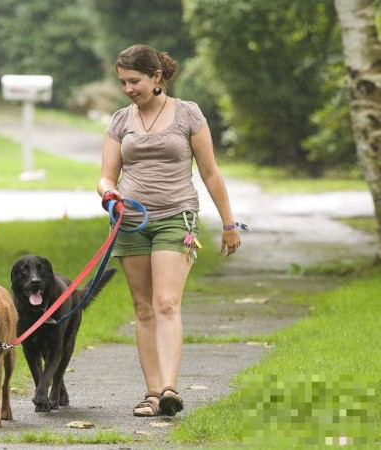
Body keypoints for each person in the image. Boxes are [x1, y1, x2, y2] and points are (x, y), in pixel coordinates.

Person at [97, 44, 242, 417]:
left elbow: (210, 172)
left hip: (177, 216)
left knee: (166, 303)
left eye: (135, 81)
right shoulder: (120, 121)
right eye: (123, 82)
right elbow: (105, 176)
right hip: (130, 221)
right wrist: (108, 193)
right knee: (143, 308)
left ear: (157, 77)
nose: (128, 89)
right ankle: (150, 394)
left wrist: (228, 223)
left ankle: (169, 389)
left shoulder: (188, 114)